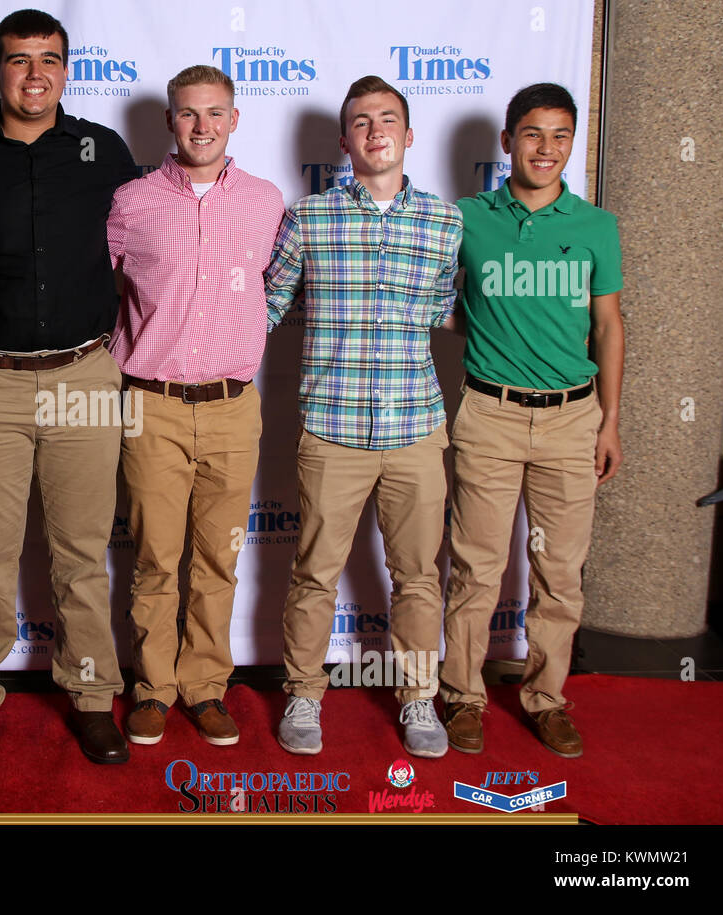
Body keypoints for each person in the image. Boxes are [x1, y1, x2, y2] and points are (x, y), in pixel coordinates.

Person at [0, 9, 137, 769]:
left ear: (67, 69)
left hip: (82, 374)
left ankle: (92, 696)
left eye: (49, 59)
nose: (34, 73)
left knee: (81, 553)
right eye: (19, 60)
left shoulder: (104, 151)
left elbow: (152, 248)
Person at [265, 75, 462, 758]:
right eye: (360, 122)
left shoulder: (445, 222)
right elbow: (265, 307)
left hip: (415, 424)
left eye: (388, 120)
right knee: (316, 570)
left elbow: (443, 312)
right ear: (345, 140)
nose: (375, 132)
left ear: (408, 136)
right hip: (332, 427)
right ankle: (303, 693)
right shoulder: (309, 216)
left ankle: (418, 699)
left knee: (417, 575)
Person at [441, 83, 623, 759]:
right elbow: (442, 304)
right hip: (489, 412)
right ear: (507, 141)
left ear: (571, 144)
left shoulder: (595, 226)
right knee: (476, 568)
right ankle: (462, 695)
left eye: (559, 136)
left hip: (574, 419)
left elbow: (607, 325)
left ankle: (545, 698)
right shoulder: (467, 219)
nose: (546, 148)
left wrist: (609, 422)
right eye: (533, 134)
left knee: (559, 573)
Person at [107, 65, 283, 746]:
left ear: (234, 120)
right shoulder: (131, 202)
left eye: (214, 113)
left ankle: (206, 685)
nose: (201, 126)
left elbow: (273, 291)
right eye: (188, 113)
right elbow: (107, 292)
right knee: (155, 557)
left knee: (218, 557)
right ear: (170, 121)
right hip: (151, 404)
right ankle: (151, 687)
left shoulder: (267, 203)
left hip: (235, 406)